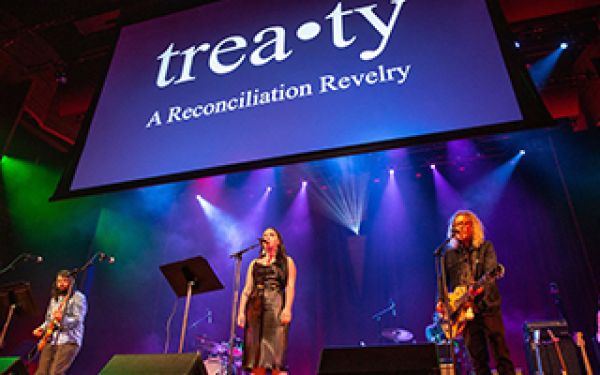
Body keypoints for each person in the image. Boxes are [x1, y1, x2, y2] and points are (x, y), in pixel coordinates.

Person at [437, 210, 515, 375]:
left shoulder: (485, 248)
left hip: (487, 306)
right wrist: (441, 302)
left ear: (474, 227)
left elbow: (490, 272)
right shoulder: (448, 255)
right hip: (464, 313)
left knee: (500, 353)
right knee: (477, 359)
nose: (462, 227)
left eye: (466, 223)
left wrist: (480, 287)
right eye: (458, 224)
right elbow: (442, 283)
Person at [237, 227, 297, 375]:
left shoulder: (286, 261)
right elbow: (247, 289)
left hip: (275, 305)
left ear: (278, 241)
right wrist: (241, 312)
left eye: (271, 235)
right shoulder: (254, 263)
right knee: (256, 360)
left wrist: (287, 308)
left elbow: (290, 287)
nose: (267, 237)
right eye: (265, 235)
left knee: (276, 359)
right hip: (255, 309)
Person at [32, 270, 87, 375]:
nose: (61, 284)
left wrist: (63, 319)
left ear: (71, 283)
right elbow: (49, 319)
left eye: (65, 281)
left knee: (56, 373)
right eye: (59, 281)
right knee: (41, 372)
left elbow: (78, 320)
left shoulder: (78, 297)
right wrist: (42, 328)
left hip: (69, 341)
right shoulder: (55, 298)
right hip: (51, 339)